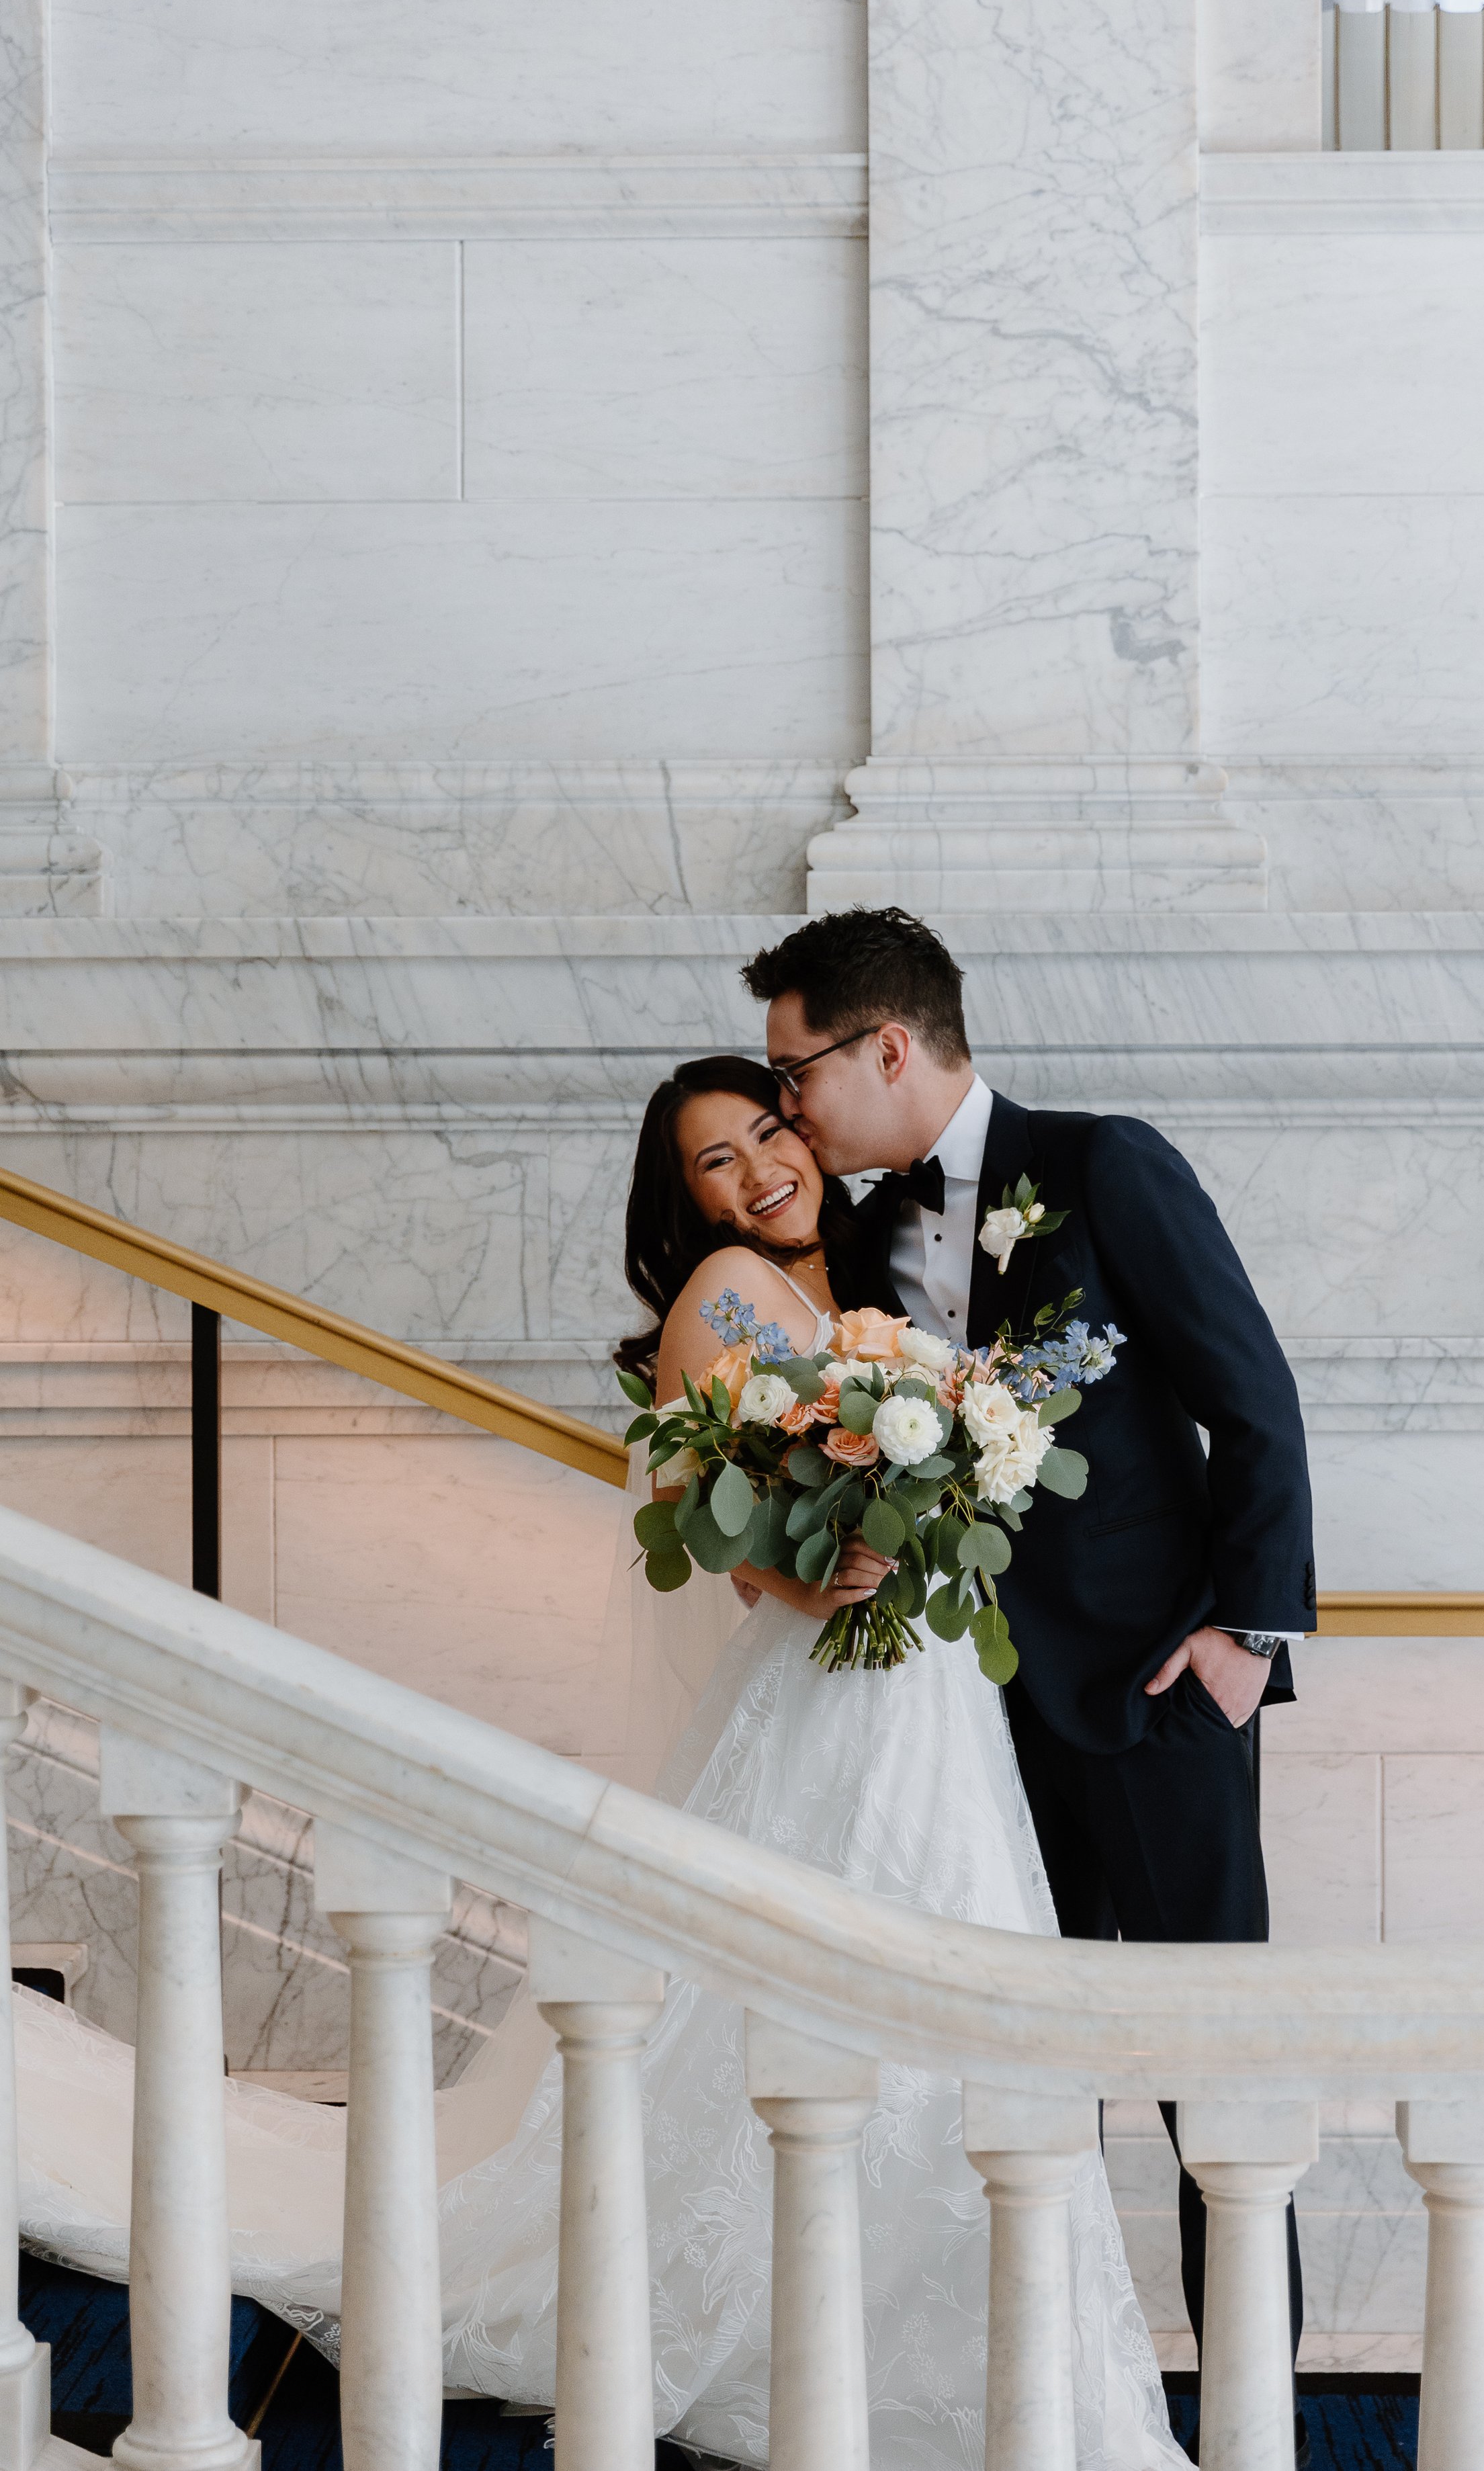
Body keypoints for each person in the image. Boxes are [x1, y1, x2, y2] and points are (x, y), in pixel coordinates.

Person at [11, 1052, 1184, 2471]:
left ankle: (972, 2333)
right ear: (679, 1199)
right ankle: (830, 2319)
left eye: (769, 1130)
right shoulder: (724, 1298)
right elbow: (720, 1529)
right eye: (714, 1159)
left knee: (948, 1989)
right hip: (829, 1695)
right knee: (819, 2001)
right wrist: (818, 1576)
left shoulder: (860, 1287)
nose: (759, 1166)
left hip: (928, 1699)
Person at [741, 909, 1317, 2449]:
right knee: (1014, 2089)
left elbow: (1250, 1400)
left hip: (1156, 1696)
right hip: (965, 1719)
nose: (788, 1108)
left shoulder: (1105, 1165)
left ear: (885, 1046)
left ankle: (1256, 2421)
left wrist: (1238, 1645)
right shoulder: (859, 1242)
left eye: (798, 1072)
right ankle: (1059, 2409)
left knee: (1215, 2080)